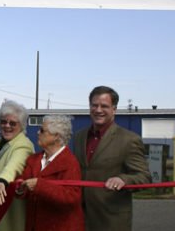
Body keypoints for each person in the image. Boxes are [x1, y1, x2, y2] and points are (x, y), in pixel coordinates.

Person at [73, 86, 150, 231]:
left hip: (111, 221)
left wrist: (123, 179)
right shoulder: (79, 137)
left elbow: (144, 177)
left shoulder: (129, 140)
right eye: (94, 105)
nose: (98, 110)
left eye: (104, 106)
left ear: (114, 110)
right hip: (81, 218)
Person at [16, 115, 84, 231]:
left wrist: (39, 186)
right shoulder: (33, 159)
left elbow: (71, 198)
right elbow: (22, 184)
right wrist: (19, 188)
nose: (38, 132)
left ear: (56, 136)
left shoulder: (70, 163)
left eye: (42, 130)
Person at [0, 100, 34, 231]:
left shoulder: (23, 145)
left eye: (13, 123)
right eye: (3, 122)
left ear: (22, 125)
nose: (7, 126)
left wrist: (2, 180)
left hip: (10, 215)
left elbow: (15, 164)